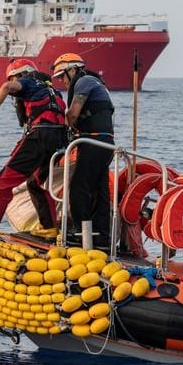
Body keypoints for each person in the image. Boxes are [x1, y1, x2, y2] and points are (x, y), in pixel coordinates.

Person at [0, 58, 66, 239]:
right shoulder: (52, 89)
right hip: (59, 140)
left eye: (13, 79)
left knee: (1, 183)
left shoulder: (27, 81)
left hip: (39, 136)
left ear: (19, 75)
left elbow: (5, 87)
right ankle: (49, 227)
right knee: (36, 183)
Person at [51, 53, 115, 248]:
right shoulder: (98, 84)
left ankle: (81, 234)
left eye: (63, 76)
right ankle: (102, 237)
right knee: (99, 190)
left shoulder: (84, 82)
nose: (62, 81)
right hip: (106, 143)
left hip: (93, 142)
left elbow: (73, 114)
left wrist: (60, 126)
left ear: (73, 70)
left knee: (79, 189)